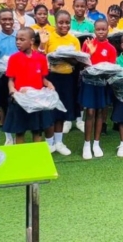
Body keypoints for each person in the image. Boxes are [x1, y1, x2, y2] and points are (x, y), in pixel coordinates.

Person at [39, 10, 81, 155]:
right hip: (51, 78)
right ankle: (49, 142)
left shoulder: (74, 40)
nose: (64, 25)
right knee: (50, 110)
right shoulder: (48, 37)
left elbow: (77, 61)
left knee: (62, 111)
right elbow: (41, 57)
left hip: (67, 79)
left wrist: (66, 57)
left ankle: (59, 142)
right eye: (61, 22)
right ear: (55, 23)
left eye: (67, 22)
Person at [4, 28, 55, 143]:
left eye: (22, 40)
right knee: (19, 131)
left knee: (37, 130)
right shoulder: (14, 58)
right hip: (19, 100)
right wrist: (12, 90)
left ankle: (36, 153)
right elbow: (11, 80)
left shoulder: (41, 58)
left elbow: (43, 78)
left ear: (31, 41)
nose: (18, 42)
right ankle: (21, 153)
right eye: (17, 39)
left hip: (36, 101)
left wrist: (49, 84)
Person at [80, 19, 117, 159]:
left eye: (104, 29)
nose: (101, 32)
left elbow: (112, 69)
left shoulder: (111, 48)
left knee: (100, 112)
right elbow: (82, 64)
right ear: (94, 30)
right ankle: (86, 144)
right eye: (98, 29)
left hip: (102, 84)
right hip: (89, 83)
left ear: (108, 30)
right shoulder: (88, 44)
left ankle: (96, 143)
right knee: (90, 112)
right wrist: (89, 54)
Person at [0, 8, 18, 144]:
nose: (7, 22)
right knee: (4, 105)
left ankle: (18, 134)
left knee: (17, 105)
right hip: (3, 77)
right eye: (4, 19)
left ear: (13, 20)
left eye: (10, 19)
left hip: (19, 76)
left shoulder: (19, 36)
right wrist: (3, 66)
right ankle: (8, 136)